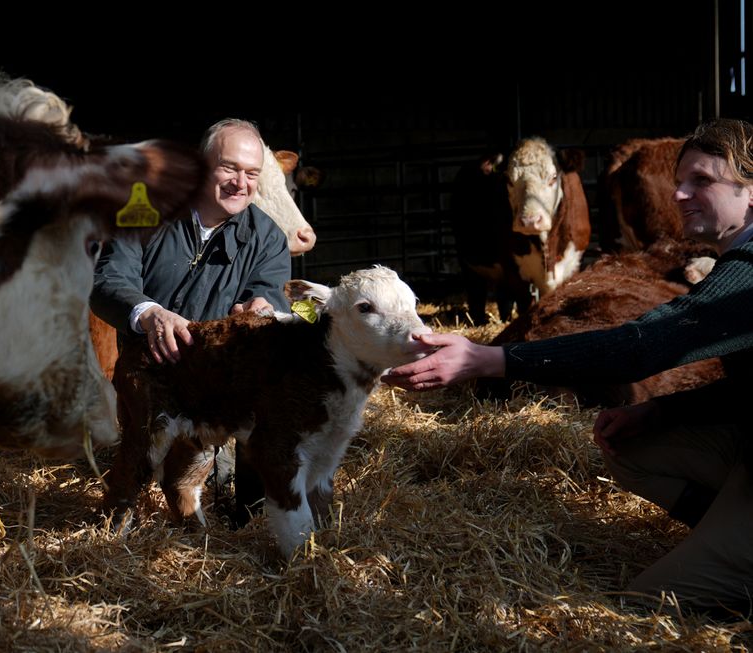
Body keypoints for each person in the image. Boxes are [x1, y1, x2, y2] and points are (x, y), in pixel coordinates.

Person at [382, 118, 753, 613]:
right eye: (680, 180)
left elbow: (643, 346)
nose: (678, 195)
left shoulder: (747, 271)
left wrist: (489, 358)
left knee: (645, 603)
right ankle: (726, 533)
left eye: (702, 181)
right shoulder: (738, 259)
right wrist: (660, 412)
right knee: (632, 443)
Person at [91, 118, 291, 520]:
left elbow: (268, 291)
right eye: (229, 168)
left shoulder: (267, 237)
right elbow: (108, 278)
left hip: (215, 385)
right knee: (140, 460)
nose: (241, 183)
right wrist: (148, 313)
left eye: (252, 174)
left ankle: (250, 521)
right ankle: (116, 517)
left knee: (213, 481)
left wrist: (262, 309)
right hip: (151, 369)